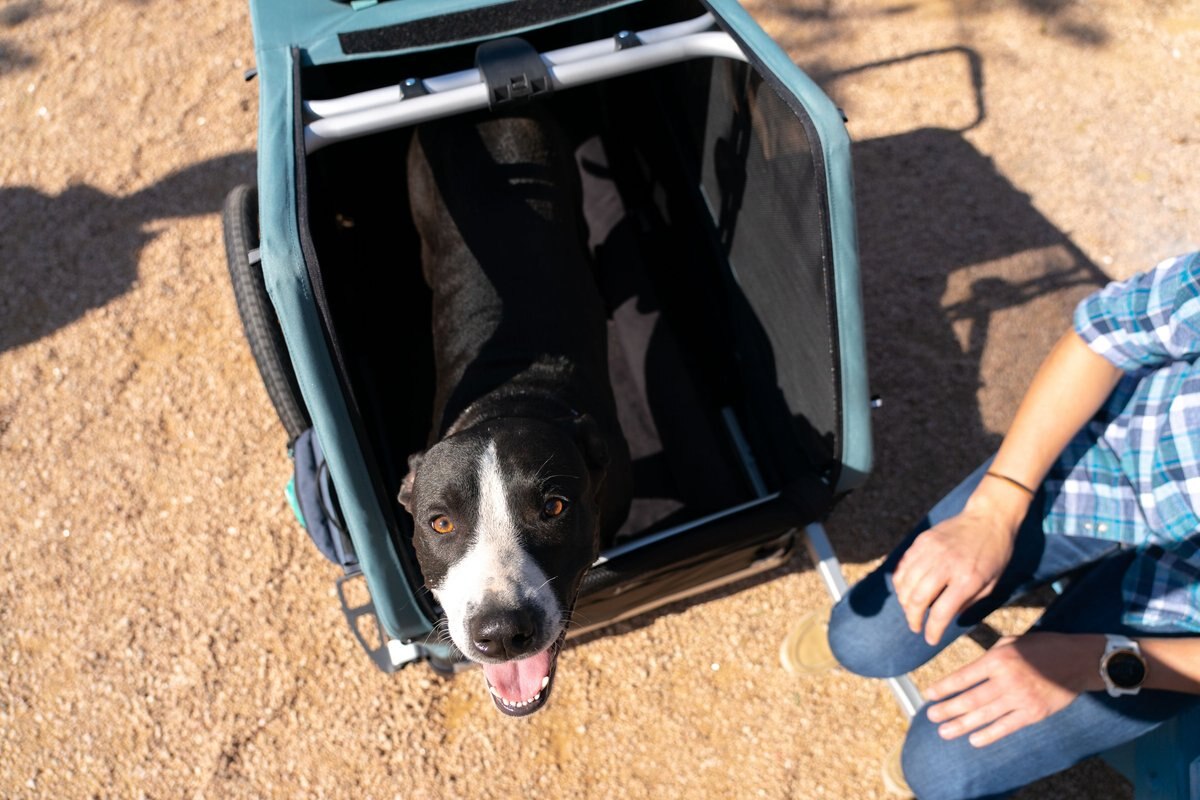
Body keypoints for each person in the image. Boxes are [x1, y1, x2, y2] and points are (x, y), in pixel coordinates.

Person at [820, 250, 1200, 798]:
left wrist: (1097, 661)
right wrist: (996, 504)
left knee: (942, 770)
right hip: (1108, 459)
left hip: (1181, 623)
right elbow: (1107, 333)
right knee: (863, 640)